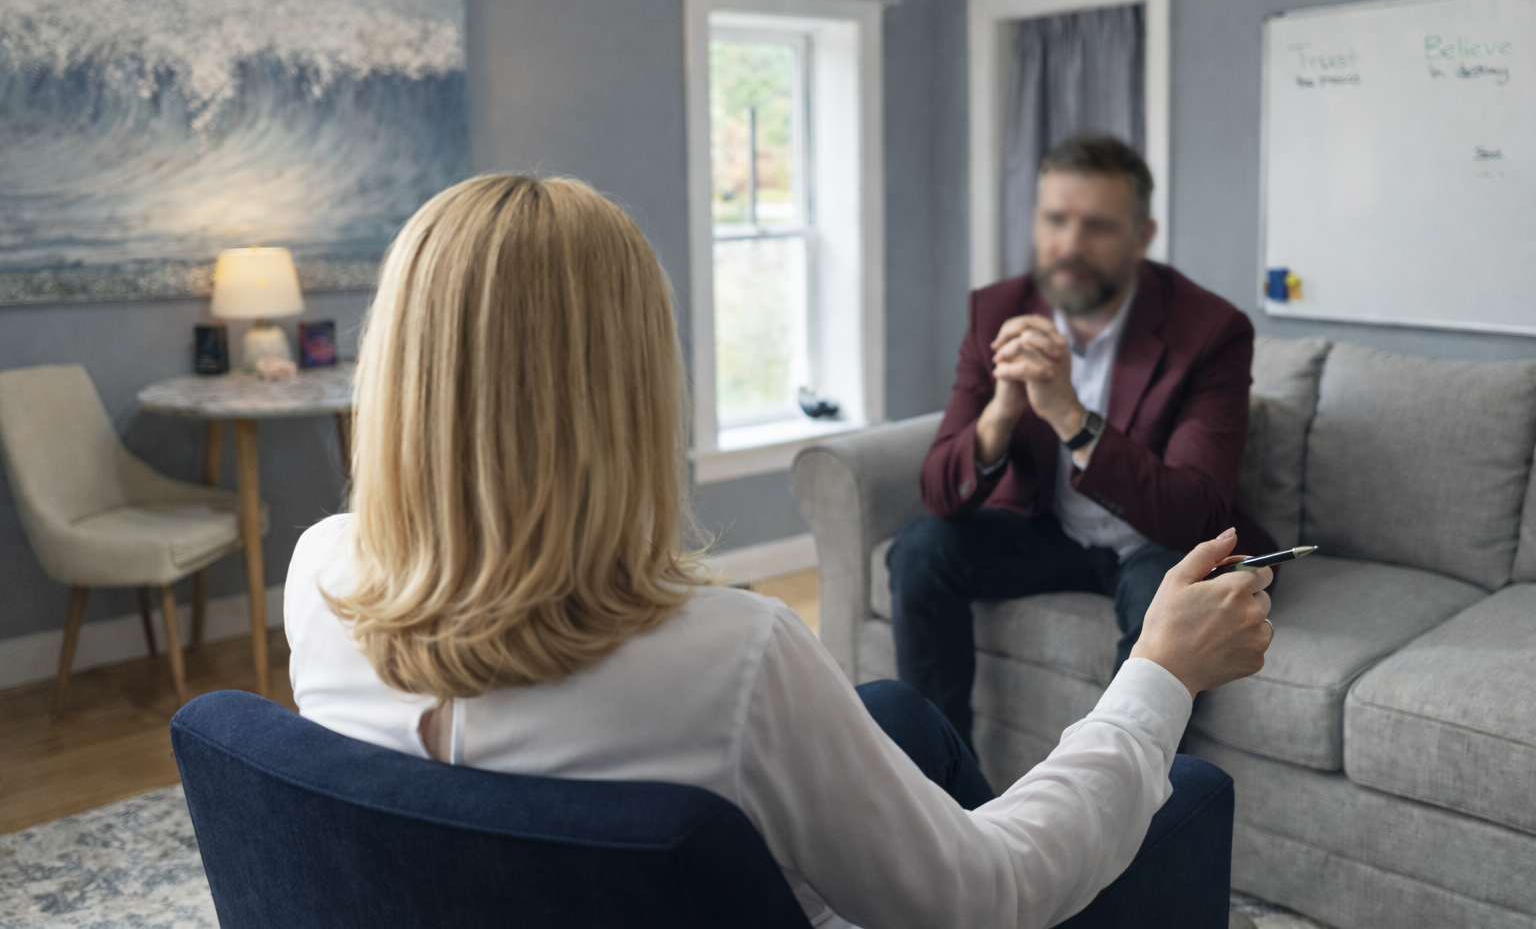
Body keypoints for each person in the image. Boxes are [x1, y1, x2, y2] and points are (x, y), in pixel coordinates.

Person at [284, 173, 1274, 929]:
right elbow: (991, 895)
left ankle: (932, 807)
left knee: (894, 716)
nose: (1070, 243)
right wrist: (1158, 671)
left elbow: (1192, 497)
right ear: (630, 389)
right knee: (1182, 791)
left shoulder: (316, 573)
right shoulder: (733, 658)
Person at [889, 134, 1277, 753]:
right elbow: (941, 491)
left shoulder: (1210, 331)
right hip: (1050, 533)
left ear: (1140, 237)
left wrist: (1071, 416)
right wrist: (1002, 411)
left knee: (1164, 596)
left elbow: (1196, 510)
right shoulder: (999, 312)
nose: (1069, 246)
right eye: (1055, 220)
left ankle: (1113, 808)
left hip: (1158, 544)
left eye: (1096, 226)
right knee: (920, 550)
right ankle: (942, 790)